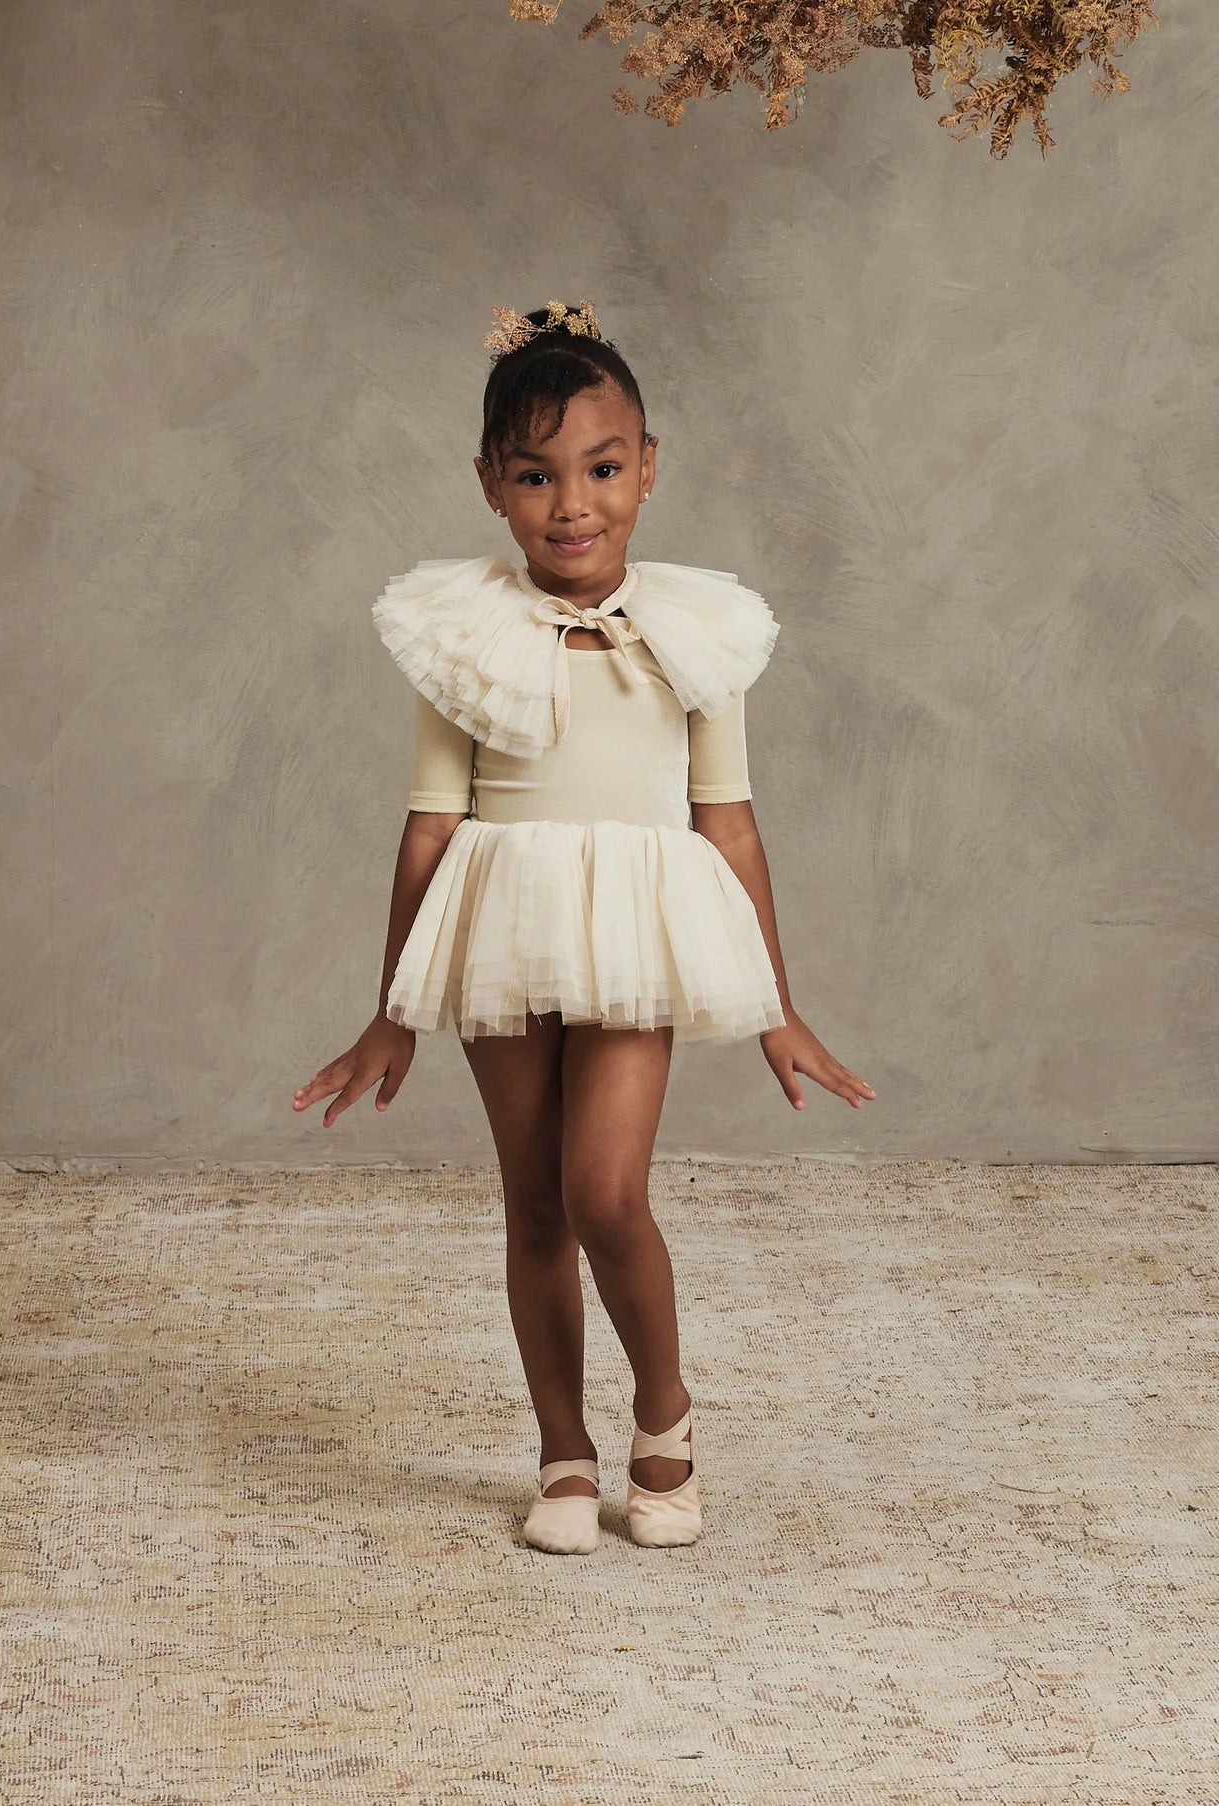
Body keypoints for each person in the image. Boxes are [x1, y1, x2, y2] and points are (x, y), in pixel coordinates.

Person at [293, 298, 876, 1555]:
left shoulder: (693, 636)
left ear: (647, 468)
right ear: (491, 487)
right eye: (535, 476)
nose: (572, 504)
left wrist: (777, 1007)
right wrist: (389, 1014)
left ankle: (663, 1415)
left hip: (634, 938)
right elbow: (428, 830)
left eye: (602, 470)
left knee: (604, 1190)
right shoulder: (462, 637)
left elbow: (728, 826)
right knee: (534, 1206)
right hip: (496, 929)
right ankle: (561, 1451)